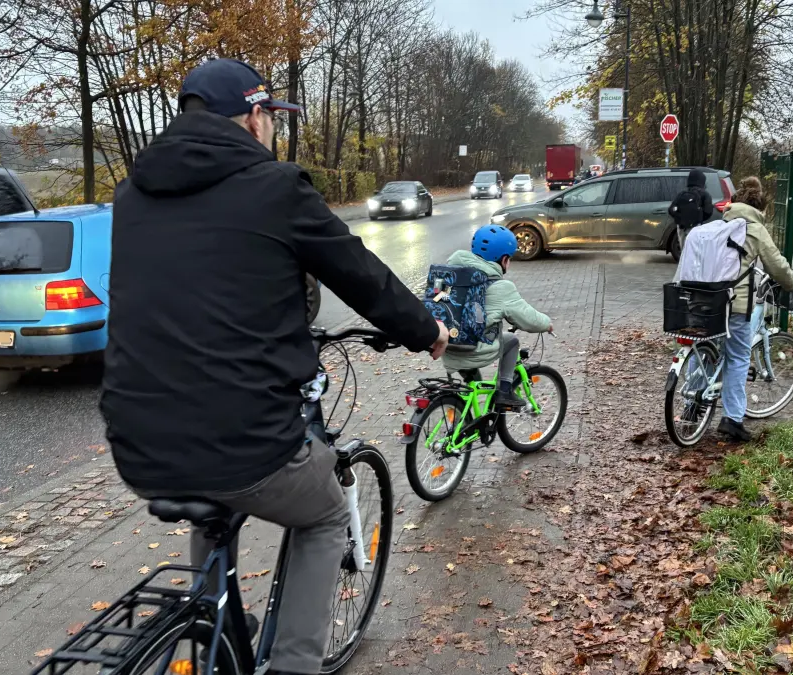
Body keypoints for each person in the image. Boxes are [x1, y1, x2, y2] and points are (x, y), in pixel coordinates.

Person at [100, 58, 448, 675]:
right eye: (270, 118)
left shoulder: (132, 193)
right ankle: (293, 665)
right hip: (242, 441)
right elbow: (359, 272)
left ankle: (212, 630)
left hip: (136, 438)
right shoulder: (276, 187)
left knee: (210, 487)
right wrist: (427, 331)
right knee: (323, 515)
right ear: (255, 116)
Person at [716, 177, 793, 442]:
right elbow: (775, 263)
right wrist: (792, 282)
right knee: (739, 358)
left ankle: (692, 405)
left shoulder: (720, 223)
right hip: (735, 303)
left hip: (705, 298)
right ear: (759, 207)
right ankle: (733, 419)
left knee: (708, 350)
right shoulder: (754, 227)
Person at [441, 225, 553, 408]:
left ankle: (468, 415)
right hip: (473, 349)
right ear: (504, 259)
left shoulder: (451, 272)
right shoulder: (500, 286)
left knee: (471, 381)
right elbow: (528, 318)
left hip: (446, 344)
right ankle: (505, 391)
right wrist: (547, 324)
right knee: (512, 341)